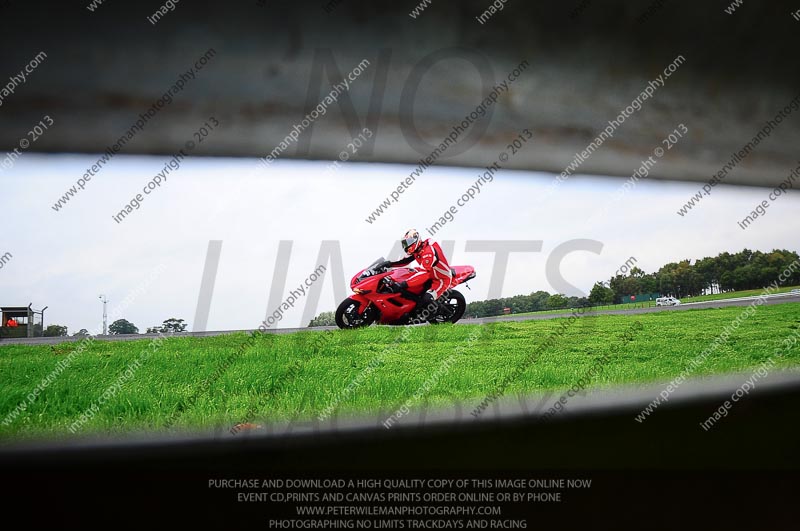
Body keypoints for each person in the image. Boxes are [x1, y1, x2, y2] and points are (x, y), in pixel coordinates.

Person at [386, 229, 453, 309]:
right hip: (430, 275)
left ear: (416, 239)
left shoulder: (428, 252)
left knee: (426, 300)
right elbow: (405, 260)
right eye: (405, 243)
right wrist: (388, 264)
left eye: (409, 242)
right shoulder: (417, 250)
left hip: (440, 279)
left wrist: (403, 284)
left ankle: (431, 311)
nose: (407, 245)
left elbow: (424, 274)